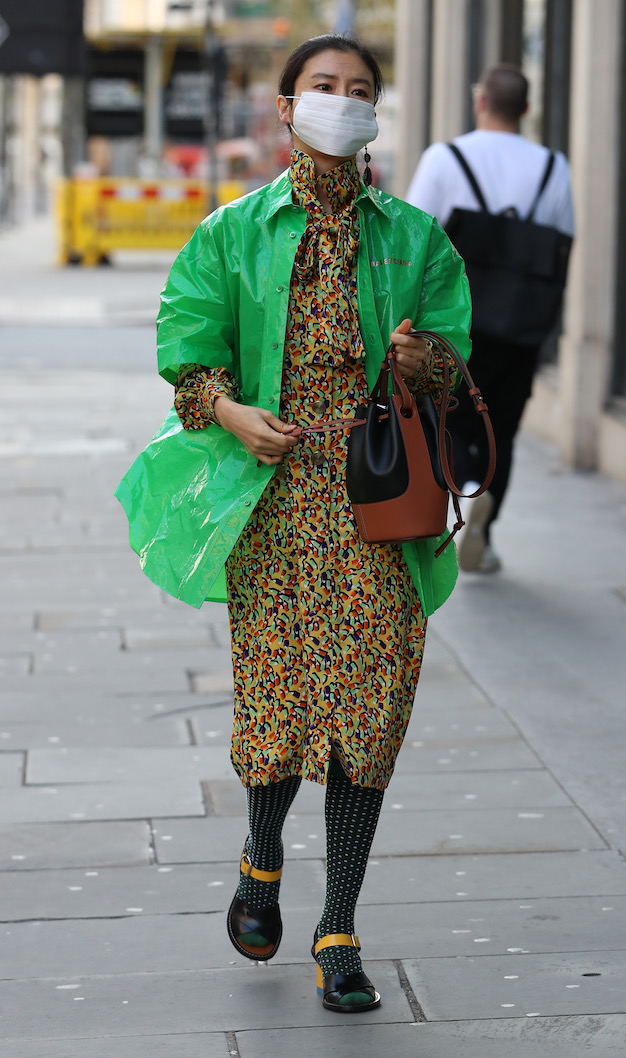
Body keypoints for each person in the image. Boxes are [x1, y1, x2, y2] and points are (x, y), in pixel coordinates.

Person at [115, 34, 471, 1013]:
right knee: (275, 706)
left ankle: (339, 924)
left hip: (378, 504)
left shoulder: (412, 237)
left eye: (362, 90)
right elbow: (187, 359)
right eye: (325, 87)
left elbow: (454, 366)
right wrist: (230, 412)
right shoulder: (232, 233)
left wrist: (420, 357)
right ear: (284, 107)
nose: (343, 103)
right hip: (271, 508)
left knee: (370, 709)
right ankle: (261, 852)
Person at [406, 63, 574, 573]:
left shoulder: (445, 158)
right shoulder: (553, 166)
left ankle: (443, 519)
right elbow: (562, 244)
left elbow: (414, 239)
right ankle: (487, 522)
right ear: (526, 110)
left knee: (449, 420)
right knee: (502, 429)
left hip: (456, 326)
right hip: (520, 326)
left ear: (481, 102)